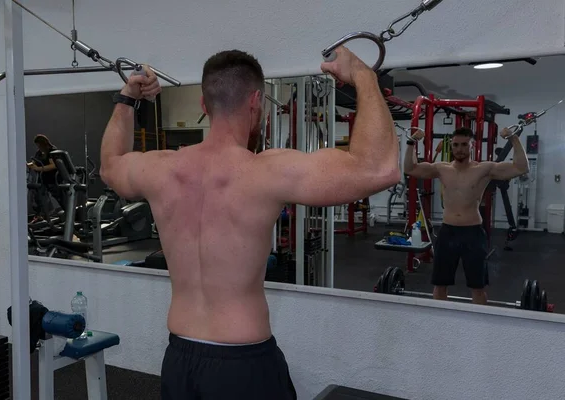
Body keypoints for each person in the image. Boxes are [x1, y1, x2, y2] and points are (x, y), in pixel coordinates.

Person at [100, 47, 400, 400]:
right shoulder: (265, 171)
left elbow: (110, 164)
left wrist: (127, 97)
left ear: (203, 104)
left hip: (180, 360)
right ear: (256, 102)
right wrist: (364, 75)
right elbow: (379, 167)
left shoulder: (159, 167)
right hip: (241, 363)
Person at [404, 126, 529, 305]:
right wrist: (411, 142)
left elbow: (521, 167)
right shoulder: (442, 168)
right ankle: (440, 323)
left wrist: (513, 138)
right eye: (456, 145)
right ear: (451, 146)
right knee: (440, 285)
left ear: (472, 145)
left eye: (464, 144)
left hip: (473, 234)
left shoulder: (484, 169)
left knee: (478, 287)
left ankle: (478, 329)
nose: (459, 149)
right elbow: (410, 168)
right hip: (447, 233)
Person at [26, 134, 63, 221]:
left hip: (53, 179)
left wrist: (39, 168)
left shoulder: (52, 151)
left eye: (39, 145)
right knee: (38, 197)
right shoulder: (39, 152)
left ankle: (60, 215)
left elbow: (53, 165)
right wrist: (28, 165)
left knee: (56, 199)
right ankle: (41, 215)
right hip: (43, 180)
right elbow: (34, 162)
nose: (38, 147)